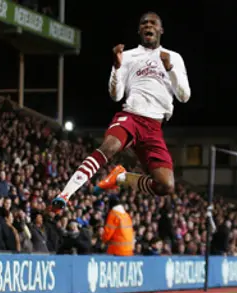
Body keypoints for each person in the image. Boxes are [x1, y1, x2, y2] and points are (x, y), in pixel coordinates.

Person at [51, 12, 190, 212]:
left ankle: (121, 178)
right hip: (131, 116)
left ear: (160, 30)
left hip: (154, 128)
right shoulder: (127, 56)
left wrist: (170, 69)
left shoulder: (173, 57)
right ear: (139, 30)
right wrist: (116, 68)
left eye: (152, 23)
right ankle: (65, 193)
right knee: (110, 146)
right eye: (144, 23)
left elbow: (184, 96)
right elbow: (116, 96)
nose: (148, 25)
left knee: (166, 186)